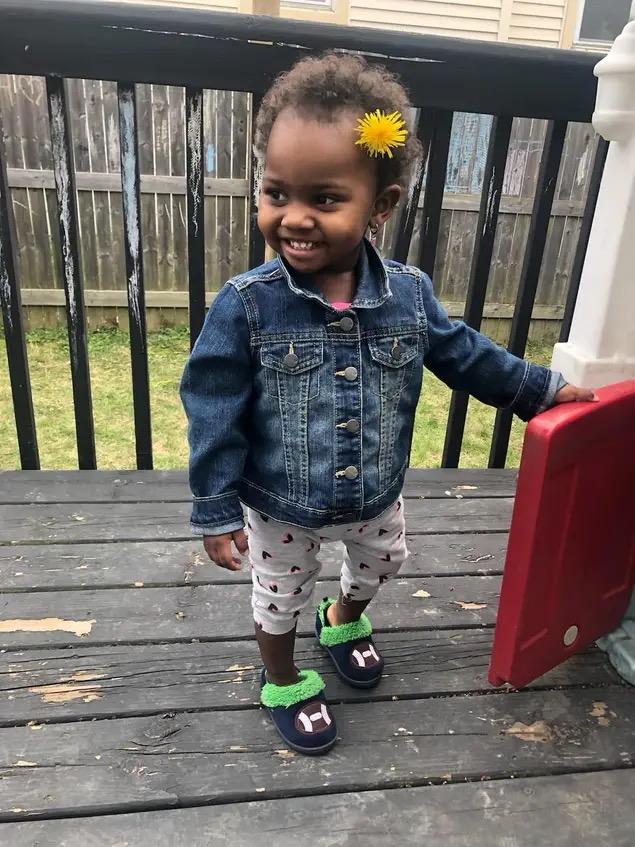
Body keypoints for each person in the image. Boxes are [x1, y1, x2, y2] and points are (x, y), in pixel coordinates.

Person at [180, 52, 595, 756]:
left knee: (383, 562)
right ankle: (282, 678)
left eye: (324, 198)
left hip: (375, 491)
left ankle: (342, 618)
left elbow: (465, 354)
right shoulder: (246, 304)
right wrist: (216, 507)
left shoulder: (408, 294)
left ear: (381, 204)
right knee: (279, 594)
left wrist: (541, 389)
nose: (293, 217)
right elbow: (212, 403)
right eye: (276, 192)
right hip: (282, 502)